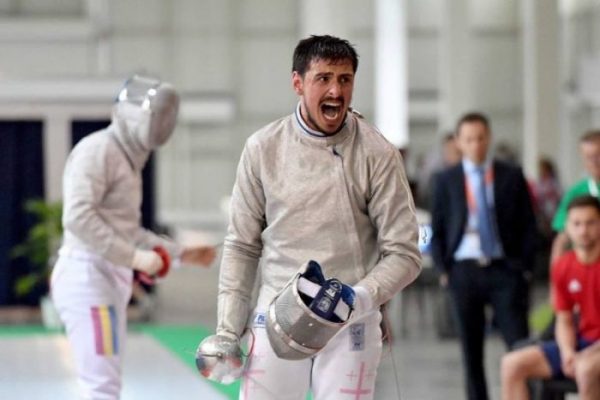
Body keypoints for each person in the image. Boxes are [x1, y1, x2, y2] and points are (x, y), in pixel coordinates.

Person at [205, 35, 421, 399]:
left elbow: (404, 253)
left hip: (349, 321)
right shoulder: (263, 148)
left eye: (345, 79)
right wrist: (228, 329)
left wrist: (356, 298)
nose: (336, 90)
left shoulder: (377, 153)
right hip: (276, 312)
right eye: (323, 78)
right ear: (298, 83)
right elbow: (242, 245)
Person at [51, 75, 216, 399]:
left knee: (106, 381)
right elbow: (78, 217)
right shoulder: (98, 150)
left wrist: (181, 254)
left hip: (105, 279)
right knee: (102, 385)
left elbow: (127, 230)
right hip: (87, 280)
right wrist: (135, 258)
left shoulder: (128, 161)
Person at [430, 112, 537, 400]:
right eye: (469, 139)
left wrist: (525, 268)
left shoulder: (511, 175)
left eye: (480, 138)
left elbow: (528, 224)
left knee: (520, 347)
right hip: (464, 271)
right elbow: (438, 229)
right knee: (471, 352)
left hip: (505, 269)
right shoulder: (445, 180)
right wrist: (444, 270)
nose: (475, 145)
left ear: (488, 138)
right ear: (458, 142)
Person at [501, 195, 600, 400]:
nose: (583, 230)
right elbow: (564, 319)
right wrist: (567, 352)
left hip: (595, 349)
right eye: (577, 224)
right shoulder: (563, 266)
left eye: (590, 223)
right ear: (567, 228)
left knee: (584, 369)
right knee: (511, 364)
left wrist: (585, 356)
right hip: (583, 341)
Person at [550, 130, 600, 265]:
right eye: (588, 157)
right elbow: (562, 238)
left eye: (598, 155)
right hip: (585, 266)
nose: (594, 162)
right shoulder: (575, 192)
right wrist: (556, 273)